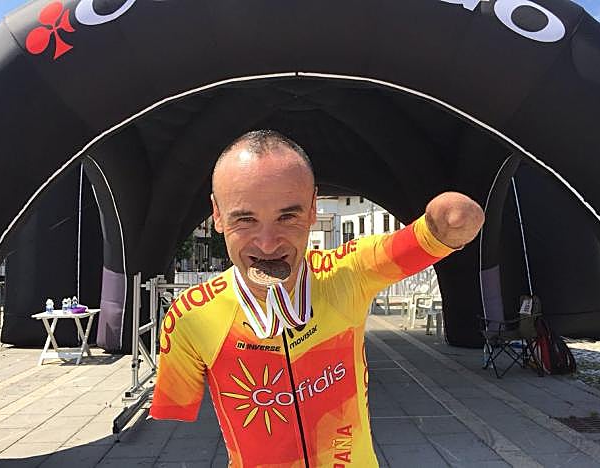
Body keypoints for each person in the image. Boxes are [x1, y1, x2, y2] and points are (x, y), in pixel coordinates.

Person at [150, 130, 484, 467]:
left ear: (312, 209)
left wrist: (446, 227)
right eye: (245, 219)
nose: (267, 243)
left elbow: (426, 237)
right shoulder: (190, 315)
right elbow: (175, 411)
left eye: (287, 217)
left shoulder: (348, 273)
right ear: (218, 215)